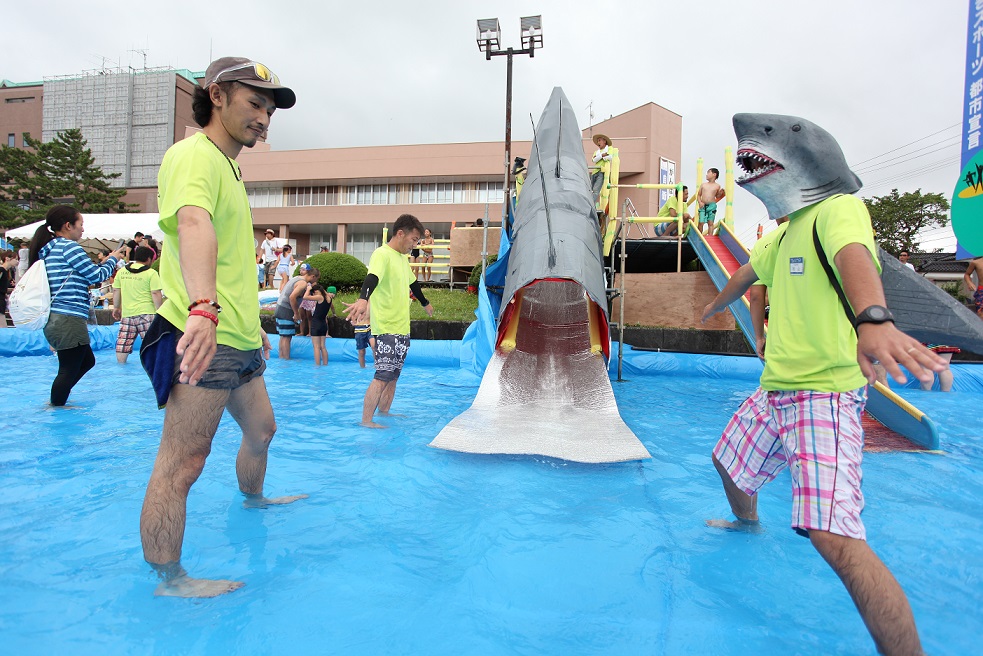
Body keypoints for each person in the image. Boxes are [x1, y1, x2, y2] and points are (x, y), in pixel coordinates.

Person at [702, 114, 947, 652]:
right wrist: (713, 305)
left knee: (833, 537)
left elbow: (854, 258)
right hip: (776, 391)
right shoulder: (785, 231)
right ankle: (748, 524)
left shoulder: (839, 210)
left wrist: (874, 319)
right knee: (727, 462)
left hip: (823, 396)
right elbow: (746, 274)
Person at [138, 56, 303, 598]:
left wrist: (251, 331)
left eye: (269, 109)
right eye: (254, 103)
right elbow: (192, 224)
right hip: (200, 333)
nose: (264, 117)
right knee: (182, 462)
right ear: (216, 96)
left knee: (261, 432)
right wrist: (203, 308)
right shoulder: (193, 155)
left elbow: (229, 255)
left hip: (237, 337)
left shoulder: (228, 167)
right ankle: (169, 579)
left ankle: (252, 501)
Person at [344, 214, 434, 427]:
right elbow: (372, 277)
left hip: (402, 328)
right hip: (386, 328)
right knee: (382, 375)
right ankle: (366, 421)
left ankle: (384, 413)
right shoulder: (382, 254)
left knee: (393, 376)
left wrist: (425, 302)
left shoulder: (402, 259)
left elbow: (414, 285)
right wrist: (363, 299)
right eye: (413, 239)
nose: (415, 244)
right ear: (400, 233)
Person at [28, 205, 124, 405]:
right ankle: (56, 406)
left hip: (57, 317)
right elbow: (97, 276)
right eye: (80, 225)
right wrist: (113, 260)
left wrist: (105, 261)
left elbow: (82, 273)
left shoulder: (50, 248)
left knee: (86, 361)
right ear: (68, 225)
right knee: (68, 368)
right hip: (67, 316)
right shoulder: (68, 247)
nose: (82, 230)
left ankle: (59, 398)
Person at [112, 246, 163, 364]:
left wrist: (116, 307)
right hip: (147, 314)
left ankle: (121, 365)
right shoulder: (151, 273)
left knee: (123, 344)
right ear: (149, 259)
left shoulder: (122, 272)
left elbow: (116, 290)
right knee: (151, 344)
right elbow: (155, 293)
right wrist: (160, 311)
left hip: (127, 314)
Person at [274, 266, 319, 360]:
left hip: (279, 307)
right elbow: (292, 297)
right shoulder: (302, 283)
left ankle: (281, 358)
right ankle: (286, 360)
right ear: (313, 276)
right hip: (286, 310)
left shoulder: (296, 278)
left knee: (283, 336)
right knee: (287, 337)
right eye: (316, 279)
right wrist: (296, 313)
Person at [306, 284, 336, 366]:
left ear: (316, 291)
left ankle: (317, 365)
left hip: (316, 324)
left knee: (316, 347)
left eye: (314, 293)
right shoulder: (328, 298)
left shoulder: (319, 297)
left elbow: (305, 297)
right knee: (323, 346)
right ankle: (325, 364)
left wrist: (308, 289)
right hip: (323, 324)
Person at [696, 168, 726, 235]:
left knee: (710, 222)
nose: (706, 174)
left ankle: (710, 236)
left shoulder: (717, 186)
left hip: (712, 205)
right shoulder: (703, 185)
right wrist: (700, 202)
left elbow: (717, 196)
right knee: (701, 222)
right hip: (703, 205)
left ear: (714, 174)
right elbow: (698, 195)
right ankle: (699, 235)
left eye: (708, 172)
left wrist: (721, 193)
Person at [0, 250, 18, 326]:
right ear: (7, 258)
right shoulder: (1, 270)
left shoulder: (7, 272)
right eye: (16, 259)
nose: (17, 262)